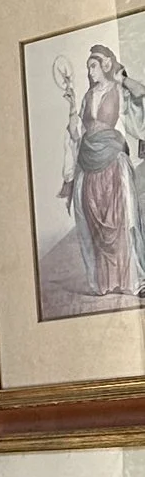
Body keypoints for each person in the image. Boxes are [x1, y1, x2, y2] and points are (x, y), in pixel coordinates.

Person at [59, 41, 145, 297]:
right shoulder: (87, 97)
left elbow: (141, 94)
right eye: (88, 68)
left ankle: (134, 280)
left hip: (113, 160)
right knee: (94, 221)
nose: (90, 72)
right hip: (89, 162)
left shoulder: (118, 90)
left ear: (105, 65)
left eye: (93, 66)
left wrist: (122, 78)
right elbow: (76, 133)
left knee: (122, 219)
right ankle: (106, 282)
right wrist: (72, 106)